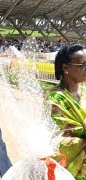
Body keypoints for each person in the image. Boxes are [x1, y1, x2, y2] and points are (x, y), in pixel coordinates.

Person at [47, 45, 86, 178]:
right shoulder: (56, 98)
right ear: (66, 68)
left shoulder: (85, 90)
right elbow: (67, 133)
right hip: (70, 169)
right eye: (83, 64)